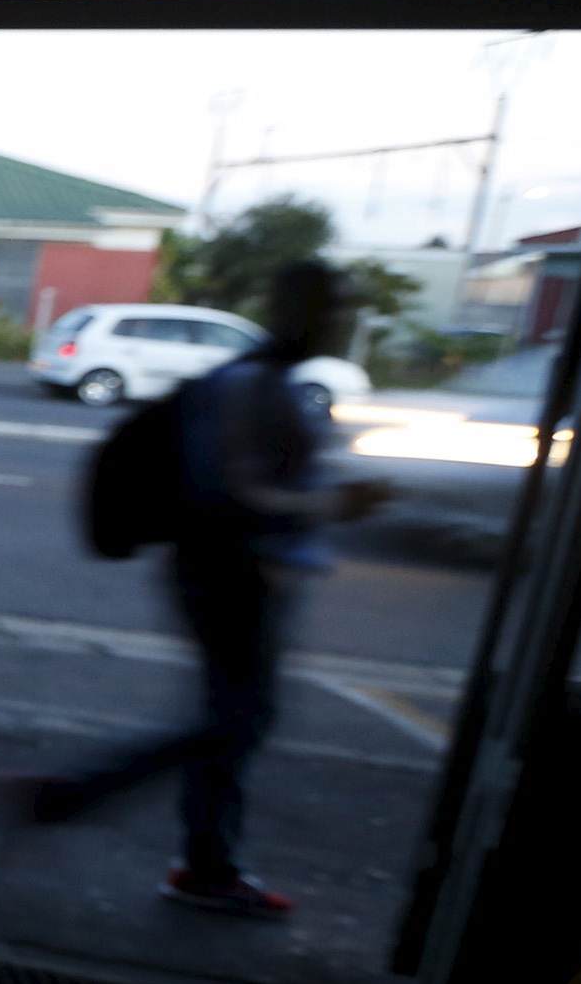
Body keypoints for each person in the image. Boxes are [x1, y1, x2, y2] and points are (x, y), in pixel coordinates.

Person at [20, 259, 388, 915]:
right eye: (330, 303)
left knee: (234, 722)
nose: (338, 318)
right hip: (234, 573)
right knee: (235, 722)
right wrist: (334, 505)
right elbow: (232, 491)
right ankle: (78, 798)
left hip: (244, 572)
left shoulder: (265, 379)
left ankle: (201, 858)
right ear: (297, 305)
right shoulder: (251, 383)